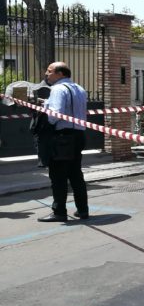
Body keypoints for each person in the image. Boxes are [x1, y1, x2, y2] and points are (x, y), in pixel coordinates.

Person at [38, 62, 89, 221]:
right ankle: (83, 210)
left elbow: (55, 115)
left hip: (62, 137)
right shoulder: (80, 88)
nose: (47, 74)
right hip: (79, 135)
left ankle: (59, 212)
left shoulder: (58, 89)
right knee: (75, 174)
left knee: (58, 175)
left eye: (50, 71)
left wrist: (46, 111)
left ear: (60, 74)